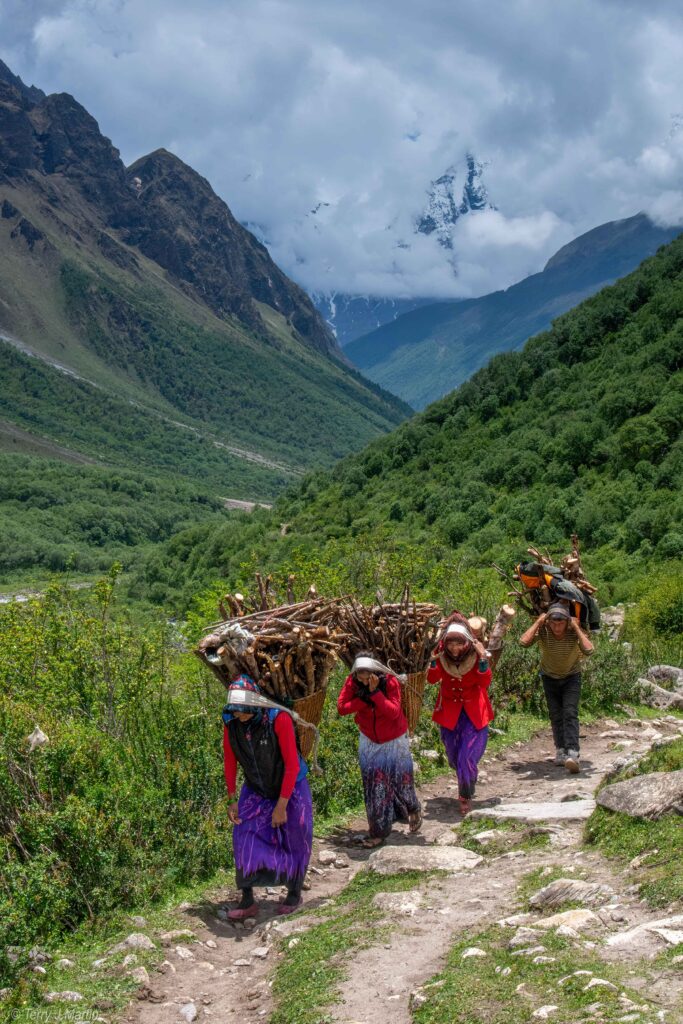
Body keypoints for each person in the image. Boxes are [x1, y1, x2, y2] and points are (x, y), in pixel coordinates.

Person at [222, 675, 313, 919]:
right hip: (256, 787)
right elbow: (230, 761)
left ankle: (294, 891)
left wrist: (282, 806)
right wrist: (232, 798)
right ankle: (248, 899)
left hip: (291, 785)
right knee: (244, 835)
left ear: (253, 705)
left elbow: (292, 766)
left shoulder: (278, 719)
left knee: (296, 835)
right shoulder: (231, 723)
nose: (238, 714)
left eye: (242, 710)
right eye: (235, 710)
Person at [337, 653, 422, 848]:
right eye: (360, 676)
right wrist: (365, 698)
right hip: (369, 739)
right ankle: (378, 832)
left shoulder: (390, 681)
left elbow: (393, 712)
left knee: (402, 780)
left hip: (395, 738)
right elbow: (342, 707)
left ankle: (413, 807)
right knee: (374, 786)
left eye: (368, 676)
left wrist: (375, 694)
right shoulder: (352, 682)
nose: (364, 680)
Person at [519, 602, 595, 774]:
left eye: (560, 623)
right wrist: (539, 622)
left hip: (571, 677)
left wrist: (575, 627)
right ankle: (560, 750)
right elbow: (523, 642)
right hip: (549, 677)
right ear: (548, 622)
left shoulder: (572, 632)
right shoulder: (544, 631)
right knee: (555, 714)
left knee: (570, 712)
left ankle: (573, 753)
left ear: (566, 622)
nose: (557, 627)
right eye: (553, 623)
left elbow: (589, 650)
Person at [427, 622, 493, 815]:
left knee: (466, 757)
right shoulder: (441, 656)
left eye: (458, 644)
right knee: (454, 756)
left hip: (474, 714)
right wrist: (431, 661)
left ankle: (465, 795)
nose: (454, 648)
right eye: (450, 644)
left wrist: (482, 660)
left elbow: (484, 682)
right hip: (450, 713)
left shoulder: (476, 656)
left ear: (466, 643)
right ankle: (467, 776)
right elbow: (432, 679)